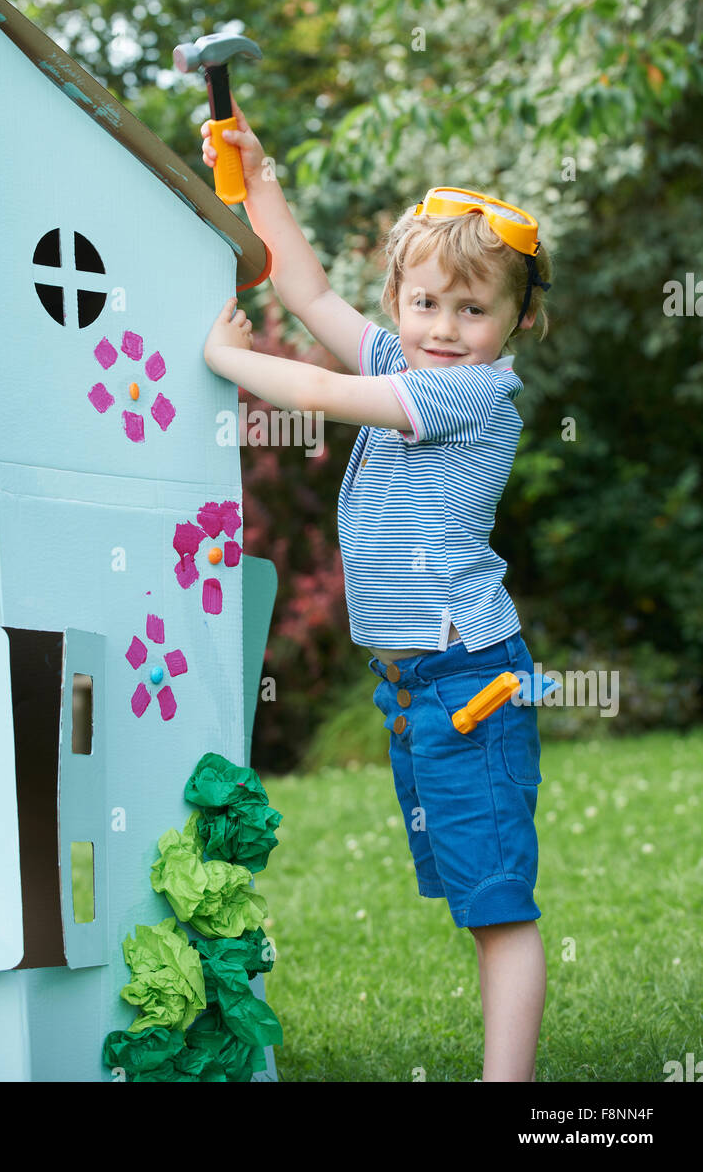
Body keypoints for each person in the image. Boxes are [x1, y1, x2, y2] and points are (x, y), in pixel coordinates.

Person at [200, 98, 554, 1083]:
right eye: (424, 302)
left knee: (496, 904)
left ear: (515, 318)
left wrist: (228, 360)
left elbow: (317, 391)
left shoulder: (470, 392)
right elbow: (310, 295)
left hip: (466, 682)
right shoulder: (408, 353)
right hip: (414, 688)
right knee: (471, 892)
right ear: (397, 296)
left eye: (472, 309)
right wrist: (257, 177)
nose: (443, 328)